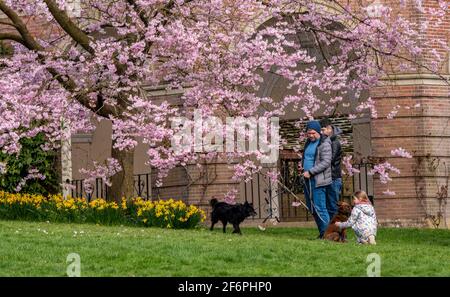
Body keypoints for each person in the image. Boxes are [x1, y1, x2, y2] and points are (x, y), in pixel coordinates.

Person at [301, 120, 332, 239]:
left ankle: (328, 234)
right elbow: (307, 157)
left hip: (318, 179)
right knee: (312, 207)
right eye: (309, 133)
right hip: (307, 179)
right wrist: (302, 166)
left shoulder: (324, 143)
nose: (311, 136)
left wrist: (310, 171)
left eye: (313, 133)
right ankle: (322, 233)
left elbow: (326, 162)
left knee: (320, 207)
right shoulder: (308, 143)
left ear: (319, 131)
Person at [319, 118, 343, 219]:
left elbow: (329, 159)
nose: (321, 133)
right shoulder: (326, 141)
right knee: (328, 205)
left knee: (332, 206)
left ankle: (337, 230)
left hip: (333, 177)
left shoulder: (334, 142)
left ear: (329, 129)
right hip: (327, 177)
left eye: (323, 130)